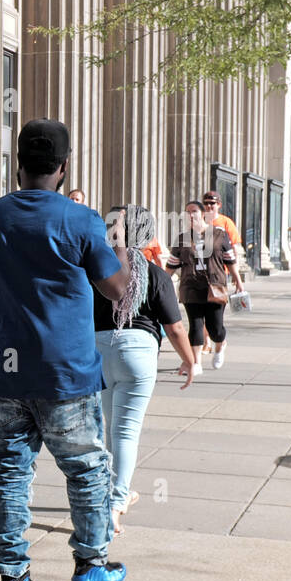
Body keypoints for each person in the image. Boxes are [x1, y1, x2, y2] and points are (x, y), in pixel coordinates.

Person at [0, 118, 131, 581]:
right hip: (67, 371)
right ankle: (91, 567)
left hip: (7, 371)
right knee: (86, 470)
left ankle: (13, 578)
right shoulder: (81, 219)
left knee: (10, 473)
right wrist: (118, 245)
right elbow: (117, 291)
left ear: (18, 166)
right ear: (64, 166)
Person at [94, 205, 197, 535]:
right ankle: (115, 502)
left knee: (111, 428)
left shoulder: (97, 269)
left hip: (97, 350)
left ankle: (107, 492)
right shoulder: (155, 274)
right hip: (137, 351)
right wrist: (189, 361)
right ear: (147, 234)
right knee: (125, 432)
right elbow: (175, 328)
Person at [167, 201, 243, 373]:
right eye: (187, 212)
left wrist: (238, 281)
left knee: (215, 328)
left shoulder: (219, 234)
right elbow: (171, 265)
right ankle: (196, 363)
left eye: (193, 211)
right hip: (190, 287)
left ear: (203, 214)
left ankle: (220, 344)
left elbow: (230, 260)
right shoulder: (182, 238)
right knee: (195, 325)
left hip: (215, 286)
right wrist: (162, 283)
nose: (190, 215)